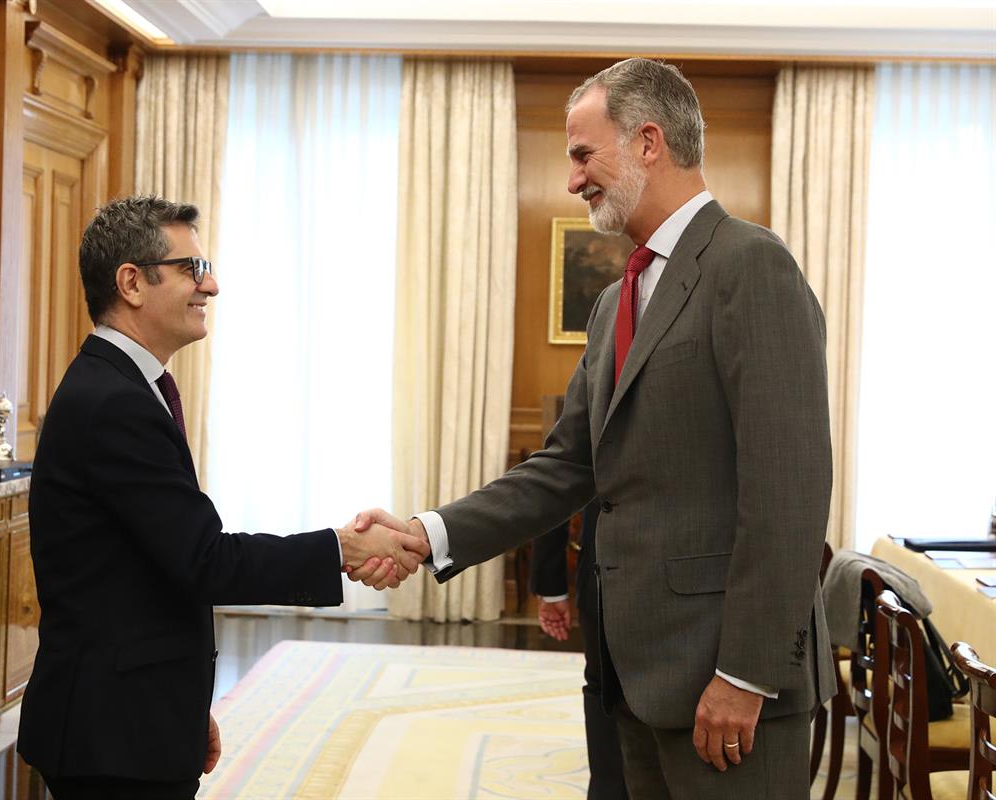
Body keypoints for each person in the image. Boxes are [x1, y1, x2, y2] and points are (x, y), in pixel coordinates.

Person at [354, 58, 834, 799]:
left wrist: (746, 674)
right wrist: (427, 534)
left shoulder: (751, 266)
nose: (573, 179)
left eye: (583, 155)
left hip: (728, 685)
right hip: (634, 675)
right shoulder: (618, 298)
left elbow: (790, 494)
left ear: (649, 141)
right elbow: (566, 466)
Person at [17, 196, 428, 800]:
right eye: (192, 267)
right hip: (112, 736)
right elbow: (204, 560)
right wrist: (339, 547)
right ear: (131, 282)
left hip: (132, 716)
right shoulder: (113, 401)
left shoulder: (126, 385)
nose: (211, 284)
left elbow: (145, 574)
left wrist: (178, 708)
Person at [531, 503, 628, 800]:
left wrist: (551, 587)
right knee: (604, 691)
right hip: (605, 574)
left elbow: (557, 479)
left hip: (604, 571)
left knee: (606, 693)